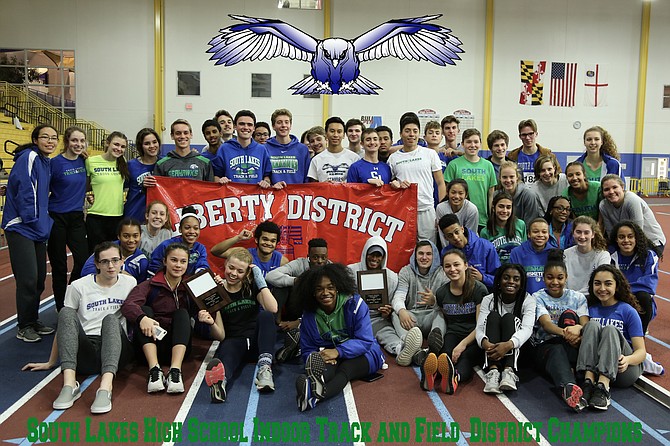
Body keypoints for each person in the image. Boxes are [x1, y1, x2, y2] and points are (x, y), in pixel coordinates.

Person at [23, 242, 137, 414]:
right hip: (86, 352)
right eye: (105, 261)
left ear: (122, 261)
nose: (111, 266)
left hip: (116, 350)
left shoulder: (130, 283)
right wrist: (51, 362)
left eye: (115, 260)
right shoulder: (78, 286)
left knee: (111, 320)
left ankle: (105, 388)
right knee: (66, 312)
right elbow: (66, 325)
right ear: (97, 264)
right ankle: (69, 385)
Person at [294, 263, 385, 411]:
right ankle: (313, 386)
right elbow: (307, 349)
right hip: (332, 353)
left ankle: (314, 398)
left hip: (366, 353)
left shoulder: (355, 304)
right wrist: (316, 357)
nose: (325, 292)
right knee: (327, 368)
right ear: (312, 293)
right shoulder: (309, 315)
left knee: (346, 369)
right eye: (319, 289)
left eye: (330, 287)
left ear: (337, 287)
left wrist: (338, 352)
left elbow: (365, 341)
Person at [2, 124, 57, 342]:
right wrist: (32, 219)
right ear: (35, 139)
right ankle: (23, 325)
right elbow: (26, 188)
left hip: (38, 228)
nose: (50, 141)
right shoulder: (29, 157)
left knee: (39, 279)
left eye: (54, 138)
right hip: (21, 226)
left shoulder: (46, 162)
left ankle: (32, 320)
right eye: (45, 137)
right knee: (28, 279)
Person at [204, 248, 278, 402]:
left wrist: (260, 280)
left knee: (266, 315)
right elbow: (221, 335)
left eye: (240, 271)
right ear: (225, 264)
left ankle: (265, 369)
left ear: (246, 274)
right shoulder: (217, 292)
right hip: (235, 341)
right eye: (231, 268)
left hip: (258, 343)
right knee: (226, 352)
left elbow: (273, 308)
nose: (233, 273)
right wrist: (211, 323)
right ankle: (220, 383)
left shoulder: (251, 286)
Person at [121, 242, 194, 393]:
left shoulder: (190, 285)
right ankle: (154, 371)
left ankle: (175, 371)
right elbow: (128, 305)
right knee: (145, 310)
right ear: (165, 261)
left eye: (183, 261)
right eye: (174, 260)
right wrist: (142, 318)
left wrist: (216, 287)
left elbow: (209, 304)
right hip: (149, 345)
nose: (178, 265)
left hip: (178, 346)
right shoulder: (150, 285)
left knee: (182, 313)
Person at [577, 265, 647, 411]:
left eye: (608, 283)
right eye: (597, 283)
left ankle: (603, 387)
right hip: (595, 366)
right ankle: (588, 382)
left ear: (617, 286)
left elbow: (641, 352)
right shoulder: (590, 309)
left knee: (610, 330)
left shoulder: (628, 311)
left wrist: (628, 360)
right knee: (590, 326)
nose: (602, 288)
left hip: (622, 370)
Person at [529, 250, 590, 411]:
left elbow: (585, 323)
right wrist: (567, 333)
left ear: (566, 278)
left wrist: (578, 329)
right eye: (550, 277)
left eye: (560, 278)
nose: (555, 282)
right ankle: (568, 386)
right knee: (556, 349)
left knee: (569, 315)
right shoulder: (538, 297)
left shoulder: (578, 298)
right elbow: (547, 325)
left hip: (573, 345)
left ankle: (576, 377)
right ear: (543, 278)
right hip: (546, 348)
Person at [420, 249, 487, 394]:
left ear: (465, 265)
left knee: (465, 358)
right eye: (448, 266)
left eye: (456, 265)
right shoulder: (441, 293)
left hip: (474, 336)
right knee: (445, 355)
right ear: (443, 269)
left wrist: (462, 345)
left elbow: (480, 326)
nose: (452, 269)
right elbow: (444, 317)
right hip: (453, 333)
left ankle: (454, 378)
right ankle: (430, 375)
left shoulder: (479, 289)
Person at [476, 263, 535, 394]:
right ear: (499, 280)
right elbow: (479, 328)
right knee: (493, 316)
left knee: (509, 318)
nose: (511, 282)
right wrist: (485, 343)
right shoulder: (488, 300)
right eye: (506, 278)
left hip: (517, 351)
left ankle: (509, 372)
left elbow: (527, 329)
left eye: (516, 279)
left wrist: (509, 344)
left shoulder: (528, 300)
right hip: (492, 349)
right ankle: (493, 372)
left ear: (522, 282)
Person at [47, 126, 89, 311]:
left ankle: (69, 296)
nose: (78, 144)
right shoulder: (54, 163)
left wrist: (89, 194)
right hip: (56, 217)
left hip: (76, 217)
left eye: (81, 141)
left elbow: (87, 183)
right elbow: (41, 187)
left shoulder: (83, 161)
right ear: (66, 142)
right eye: (74, 140)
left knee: (83, 259)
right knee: (59, 266)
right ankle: (60, 308)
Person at [388, 114, 446, 243]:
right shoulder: (393, 158)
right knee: (404, 247)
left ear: (419, 134)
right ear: (401, 134)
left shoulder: (430, 154)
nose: (411, 135)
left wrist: (441, 211)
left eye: (415, 131)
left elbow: (441, 183)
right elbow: (390, 184)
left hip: (427, 210)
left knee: (427, 248)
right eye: (407, 131)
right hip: (404, 211)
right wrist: (395, 184)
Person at [391, 240, 448, 366]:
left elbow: (447, 303)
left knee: (440, 314)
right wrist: (402, 311)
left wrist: (434, 301)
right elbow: (398, 296)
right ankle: (412, 347)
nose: (424, 257)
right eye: (420, 253)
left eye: (428, 254)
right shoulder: (406, 271)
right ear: (415, 255)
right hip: (412, 318)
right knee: (395, 314)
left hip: (431, 315)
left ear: (434, 256)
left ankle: (436, 342)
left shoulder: (442, 273)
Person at [347, 236, 400, 356]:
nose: (374, 259)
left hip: (377, 319)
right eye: (371, 254)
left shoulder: (391, 278)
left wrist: (387, 312)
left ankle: (400, 349)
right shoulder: (350, 272)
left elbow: (390, 304)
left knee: (387, 333)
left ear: (383, 257)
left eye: (378, 255)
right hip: (354, 319)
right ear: (365, 253)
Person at [266, 238, 329, 330]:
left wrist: (300, 322)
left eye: (323, 258)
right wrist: (297, 281)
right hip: (296, 307)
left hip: (319, 311)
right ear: (308, 257)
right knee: (280, 286)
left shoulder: (331, 268)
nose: (320, 261)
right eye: (315, 257)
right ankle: (276, 323)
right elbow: (270, 276)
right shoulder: (299, 264)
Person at [609, 221, 659, 334]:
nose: (626, 240)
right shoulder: (609, 256)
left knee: (644, 297)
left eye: (630, 236)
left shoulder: (649, 256)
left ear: (636, 238)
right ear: (616, 240)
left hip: (637, 299)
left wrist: (624, 291)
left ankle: (640, 338)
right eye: (621, 237)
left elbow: (649, 285)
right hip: (615, 296)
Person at [85, 131, 130, 253]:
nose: (119, 149)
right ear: (107, 143)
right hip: (96, 217)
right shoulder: (91, 161)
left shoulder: (123, 163)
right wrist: (90, 195)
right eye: (116, 144)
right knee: (95, 255)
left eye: (122, 147)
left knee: (113, 255)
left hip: (117, 217)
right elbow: (84, 186)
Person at [600, 174, 665, 256]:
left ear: (622, 187)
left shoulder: (632, 201)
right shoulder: (603, 206)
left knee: (638, 265)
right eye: (606, 189)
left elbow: (638, 232)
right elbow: (611, 232)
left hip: (650, 241)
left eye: (615, 187)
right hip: (628, 240)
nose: (611, 192)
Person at [444, 128, 497, 229]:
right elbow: (447, 193)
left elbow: (490, 195)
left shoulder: (488, 165)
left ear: (480, 144)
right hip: (458, 219)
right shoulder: (454, 165)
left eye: (476, 142)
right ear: (462, 144)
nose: (472, 145)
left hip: (482, 220)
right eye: (469, 142)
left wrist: (491, 218)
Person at [439, 214, 500, 290]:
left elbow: (499, 280)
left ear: (462, 229)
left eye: (457, 232)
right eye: (450, 236)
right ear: (445, 238)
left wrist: (483, 278)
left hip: (484, 294)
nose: (455, 237)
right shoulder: (446, 253)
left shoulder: (486, 246)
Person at [210, 221, 289, 278]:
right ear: (256, 240)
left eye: (272, 241)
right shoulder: (245, 254)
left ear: (276, 243)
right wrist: (238, 238)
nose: (268, 243)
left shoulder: (282, 262)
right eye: (265, 239)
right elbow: (215, 251)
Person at [80, 218, 149, 283]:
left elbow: (140, 288)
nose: (131, 240)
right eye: (126, 236)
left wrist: (130, 280)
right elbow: (85, 272)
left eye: (135, 236)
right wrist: (118, 274)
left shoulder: (142, 261)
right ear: (119, 236)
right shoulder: (105, 249)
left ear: (140, 236)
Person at [148, 206, 209, 276]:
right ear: (180, 229)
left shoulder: (200, 248)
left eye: (196, 228)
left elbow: (202, 266)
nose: (192, 231)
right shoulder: (166, 245)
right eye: (187, 228)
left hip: (189, 284)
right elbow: (154, 267)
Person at [564, 216, 609, 294]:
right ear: (573, 233)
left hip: (592, 298)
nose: (582, 236)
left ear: (593, 234)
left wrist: (577, 296)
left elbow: (600, 282)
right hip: (568, 299)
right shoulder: (565, 254)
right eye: (578, 232)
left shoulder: (603, 256)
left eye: (586, 232)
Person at [265, 108, 311, 186]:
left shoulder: (302, 149)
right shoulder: (265, 148)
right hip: (274, 195)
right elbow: (265, 176)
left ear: (290, 125)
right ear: (273, 126)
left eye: (286, 122)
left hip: (297, 195)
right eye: (279, 122)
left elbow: (307, 178)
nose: (283, 125)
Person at [509, 218, 556, 294]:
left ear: (548, 234)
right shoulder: (517, 252)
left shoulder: (555, 253)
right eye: (535, 232)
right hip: (523, 299)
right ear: (529, 234)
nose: (540, 235)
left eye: (544, 232)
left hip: (548, 300)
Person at [307, 117, 360, 182]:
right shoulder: (316, 160)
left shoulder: (355, 158)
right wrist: (323, 185)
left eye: (339, 132)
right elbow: (313, 187)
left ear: (343, 135)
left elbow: (359, 184)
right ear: (326, 134)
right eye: (332, 131)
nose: (335, 135)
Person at [124, 128, 161, 222]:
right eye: (147, 143)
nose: (152, 146)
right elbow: (120, 188)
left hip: (157, 217)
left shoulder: (164, 163)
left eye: (154, 142)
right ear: (141, 146)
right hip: (134, 214)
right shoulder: (131, 165)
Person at [480, 192, 526, 264]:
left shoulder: (521, 225)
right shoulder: (485, 232)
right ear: (493, 208)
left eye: (508, 207)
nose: (505, 211)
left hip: (517, 269)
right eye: (501, 206)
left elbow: (524, 251)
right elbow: (485, 259)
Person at [507, 119, 556, 184]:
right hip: (520, 192)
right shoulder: (512, 156)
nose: (527, 137)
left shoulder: (547, 154)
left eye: (531, 134)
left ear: (536, 134)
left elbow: (557, 174)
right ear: (520, 136)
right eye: (524, 135)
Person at [435, 179, 479, 248]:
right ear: (447, 192)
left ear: (466, 195)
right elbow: (443, 236)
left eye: (460, 193)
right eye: (453, 192)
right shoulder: (441, 208)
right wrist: (449, 252)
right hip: (449, 246)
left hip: (469, 246)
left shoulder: (472, 209)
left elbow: (470, 235)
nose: (456, 196)